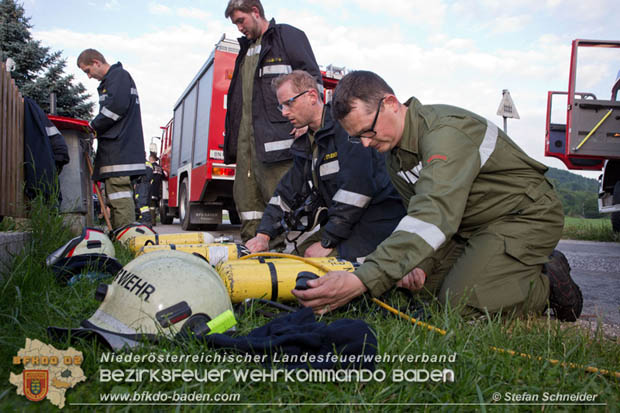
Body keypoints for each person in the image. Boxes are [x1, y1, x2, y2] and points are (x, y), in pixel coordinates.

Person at [293, 70, 583, 322]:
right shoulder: (395, 155)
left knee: (459, 306)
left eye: (368, 131)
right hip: (467, 227)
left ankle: (545, 286)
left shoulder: (445, 133)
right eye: (358, 138)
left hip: (522, 216)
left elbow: (434, 213)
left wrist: (361, 279)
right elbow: (418, 220)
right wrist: (420, 263)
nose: (366, 143)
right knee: (416, 293)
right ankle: (503, 270)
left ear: (391, 104)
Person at [245, 71, 406, 261]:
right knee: (293, 260)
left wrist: (327, 241)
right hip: (345, 224)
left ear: (312, 96)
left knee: (312, 270)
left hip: (377, 222)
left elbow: (357, 189)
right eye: (281, 106)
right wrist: (263, 235)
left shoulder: (347, 127)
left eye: (289, 103)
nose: (284, 112)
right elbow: (287, 191)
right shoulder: (308, 143)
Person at [224, 0, 323, 242]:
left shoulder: (287, 37)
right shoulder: (245, 50)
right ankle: (254, 260)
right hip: (249, 152)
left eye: (241, 20)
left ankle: (288, 266)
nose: (239, 28)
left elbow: (313, 83)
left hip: (280, 150)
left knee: (284, 208)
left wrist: (307, 122)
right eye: (235, 23)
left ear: (255, 12)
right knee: (248, 206)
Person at [77, 49, 146, 230]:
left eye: (88, 71)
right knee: (117, 197)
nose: (89, 76)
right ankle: (121, 234)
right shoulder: (115, 79)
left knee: (119, 195)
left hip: (120, 151)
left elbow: (114, 109)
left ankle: (126, 238)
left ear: (96, 62)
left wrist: (93, 126)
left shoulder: (118, 77)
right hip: (118, 150)